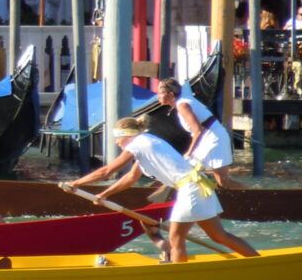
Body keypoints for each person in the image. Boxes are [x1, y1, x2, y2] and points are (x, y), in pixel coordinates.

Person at [63, 116, 258, 264]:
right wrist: (105, 195)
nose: (116, 143)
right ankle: (256, 262)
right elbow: (130, 178)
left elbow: (108, 171)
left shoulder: (139, 143)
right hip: (197, 186)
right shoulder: (146, 144)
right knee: (219, 236)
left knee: (176, 238)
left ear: (126, 136)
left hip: (190, 188)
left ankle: (179, 277)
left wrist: (77, 183)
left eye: (117, 139)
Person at [157, 78, 244, 189]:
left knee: (222, 182)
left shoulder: (182, 105)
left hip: (214, 139)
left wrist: (189, 151)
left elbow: (198, 130)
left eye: (160, 93)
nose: (157, 97)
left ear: (170, 94)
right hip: (209, 138)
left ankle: (254, 197)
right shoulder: (182, 102)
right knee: (220, 181)